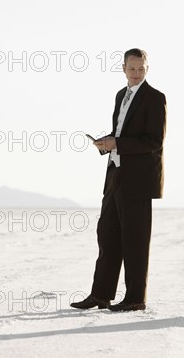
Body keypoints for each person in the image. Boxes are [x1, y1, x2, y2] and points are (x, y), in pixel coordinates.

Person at [70, 48, 167, 312]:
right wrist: (106, 143)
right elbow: (121, 133)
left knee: (135, 240)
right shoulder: (120, 96)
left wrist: (118, 143)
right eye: (132, 68)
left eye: (141, 69)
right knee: (107, 235)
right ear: (123, 68)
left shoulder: (155, 98)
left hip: (139, 180)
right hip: (115, 176)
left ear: (147, 69)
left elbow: (154, 141)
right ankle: (100, 295)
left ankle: (136, 298)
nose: (136, 73)